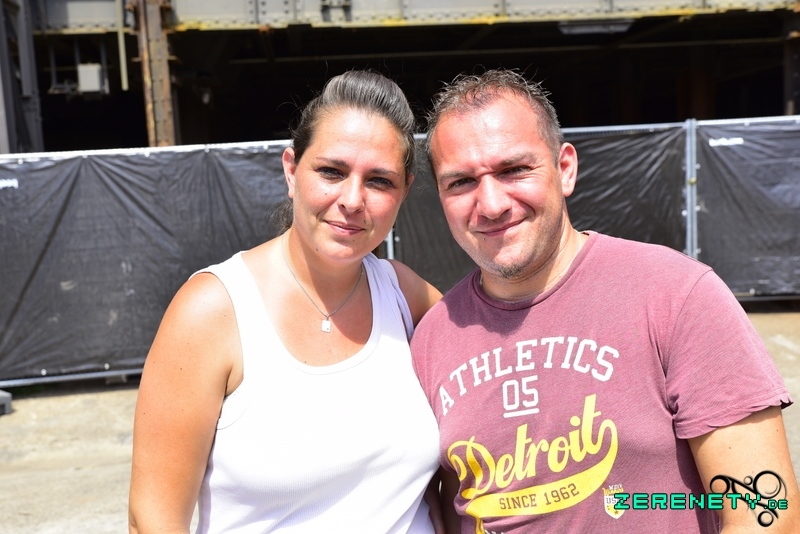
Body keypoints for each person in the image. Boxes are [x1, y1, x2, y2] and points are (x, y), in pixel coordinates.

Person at [410, 69, 800, 533]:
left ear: (565, 169)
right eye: (461, 182)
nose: (492, 204)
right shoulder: (432, 337)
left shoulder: (676, 294)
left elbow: (766, 511)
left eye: (514, 170)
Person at [129, 70, 444, 534]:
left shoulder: (406, 296)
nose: (352, 200)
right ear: (291, 170)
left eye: (379, 181)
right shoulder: (214, 311)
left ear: (404, 192)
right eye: (332, 171)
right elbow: (153, 520)